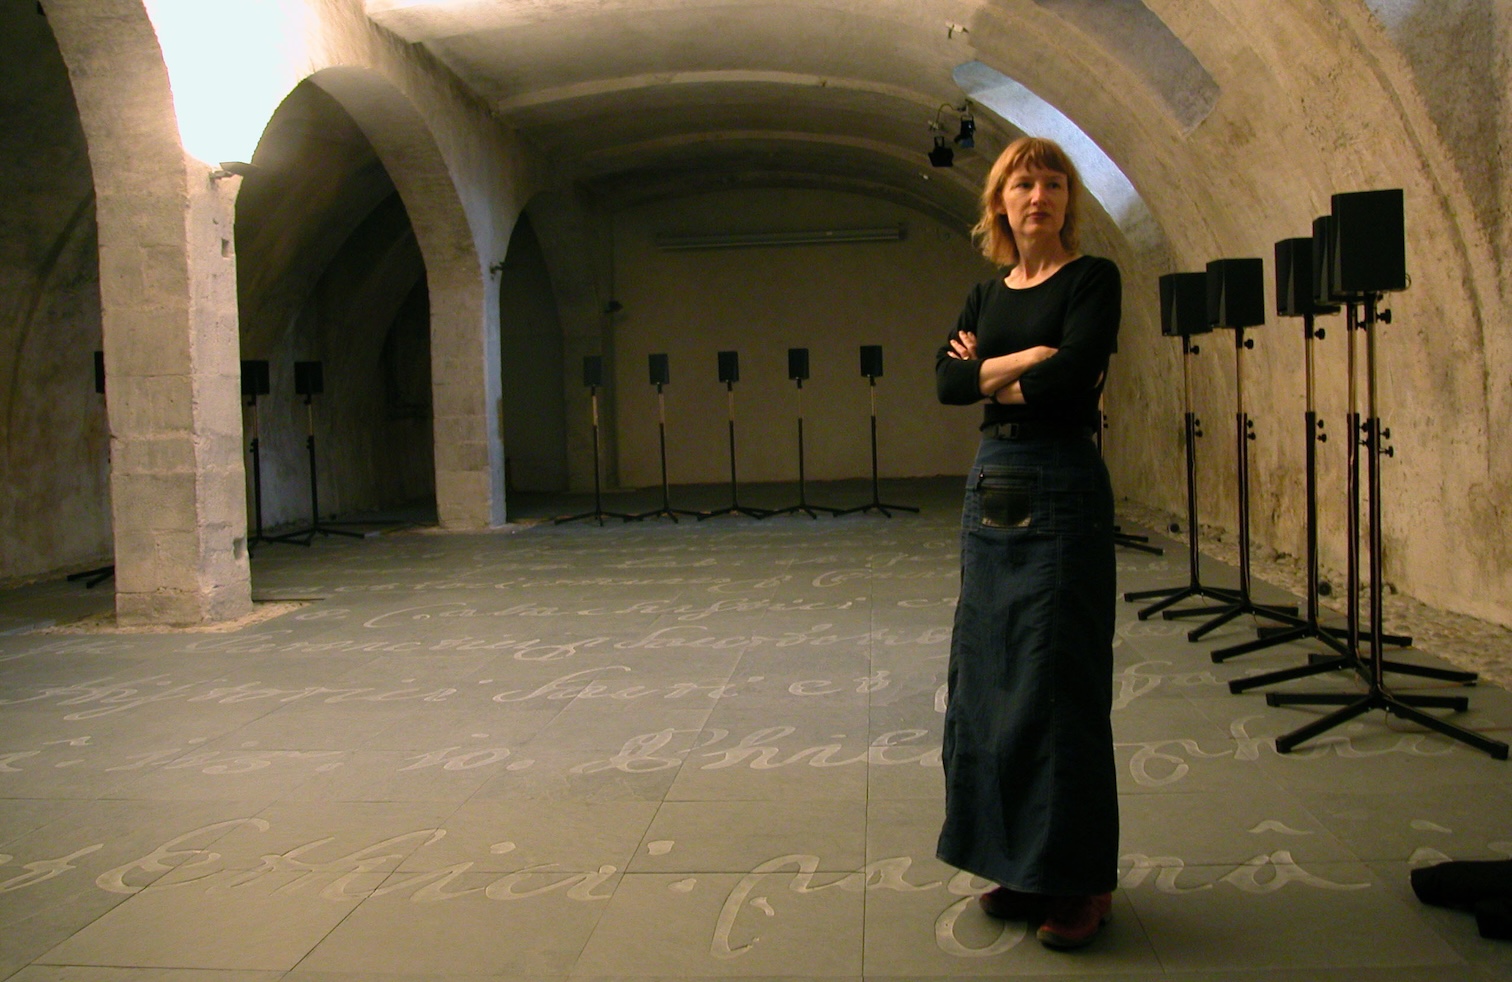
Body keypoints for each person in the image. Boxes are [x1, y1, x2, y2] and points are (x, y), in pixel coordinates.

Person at [933, 135, 1121, 950]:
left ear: (1067, 200)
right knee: (992, 672)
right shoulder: (984, 295)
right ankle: (1019, 861)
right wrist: (1026, 361)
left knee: (1059, 678)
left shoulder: (1092, 280)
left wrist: (996, 373)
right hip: (993, 484)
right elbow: (946, 383)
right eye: (1022, 184)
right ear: (1000, 204)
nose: (1037, 195)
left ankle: (1078, 879)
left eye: (1052, 182)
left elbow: (1073, 376)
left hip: (1062, 481)